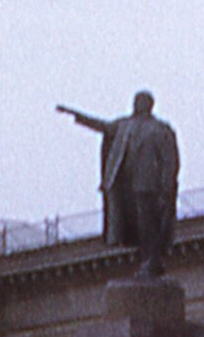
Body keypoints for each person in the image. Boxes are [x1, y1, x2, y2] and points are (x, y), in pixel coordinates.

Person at [61, 90, 181, 276]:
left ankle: (152, 260)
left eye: (140, 102)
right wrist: (77, 115)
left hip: (150, 186)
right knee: (136, 226)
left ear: (148, 105)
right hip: (128, 185)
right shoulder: (125, 125)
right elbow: (103, 126)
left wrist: (167, 186)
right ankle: (147, 260)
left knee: (149, 225)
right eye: (136, 101)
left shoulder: (160, 129)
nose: (137, 105)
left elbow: (170, 159)